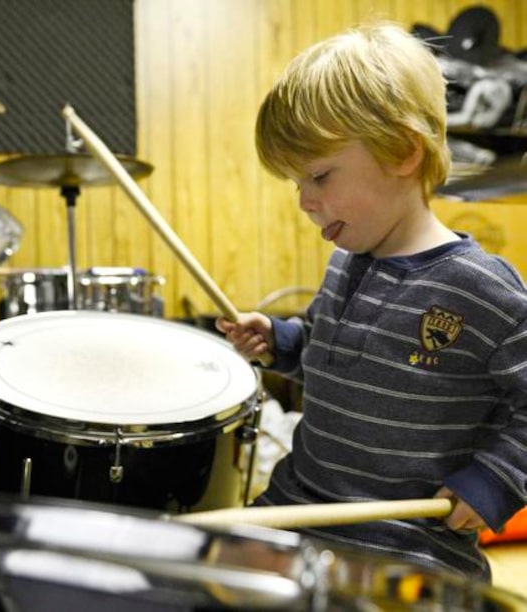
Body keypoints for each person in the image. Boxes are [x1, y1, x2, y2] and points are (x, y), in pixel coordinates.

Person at [217, 22, 527, 580]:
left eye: (319, 175)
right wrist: (281, 342)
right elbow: (332, 351)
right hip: (297, 509)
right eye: (296, 183)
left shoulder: (483, 290)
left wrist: (494, 481)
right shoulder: (348, 262)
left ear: (403, 152)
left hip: (404, 542)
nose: (306, 202)